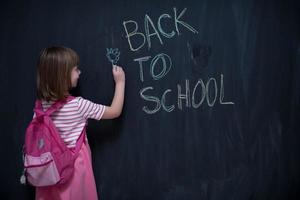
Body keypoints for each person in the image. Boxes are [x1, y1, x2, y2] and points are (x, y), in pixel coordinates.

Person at [34, 46, 125, 200]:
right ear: (62, 76)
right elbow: (115, 111)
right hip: (73, 172)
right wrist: (120, 82)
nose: (79, 73)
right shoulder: (78, 105)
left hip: (48, 173)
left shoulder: (40, 106)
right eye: (75, 69)